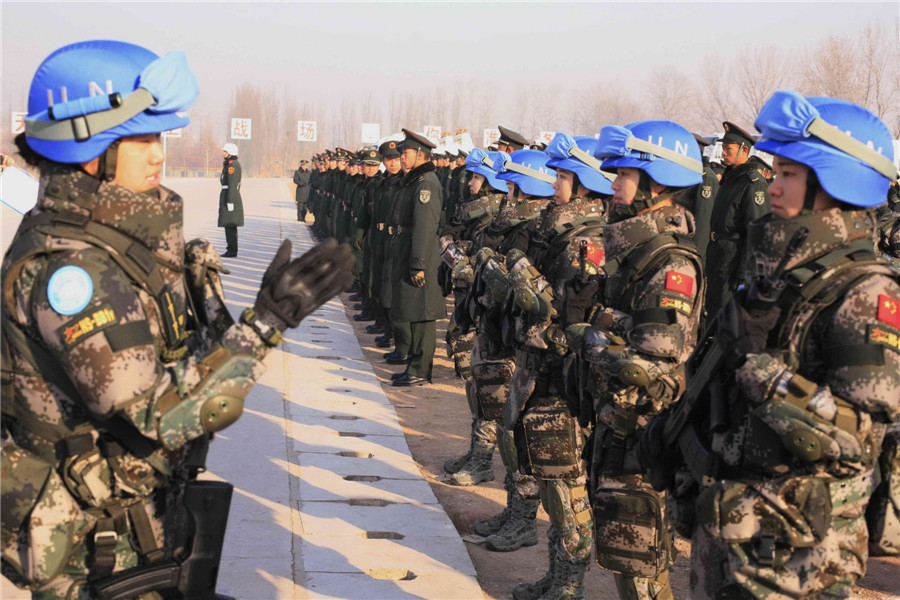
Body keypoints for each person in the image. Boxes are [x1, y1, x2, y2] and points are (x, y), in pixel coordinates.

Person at [1, 40, 353, 600]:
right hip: (96, 551)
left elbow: (177, 365)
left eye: (159, 137)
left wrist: (209, 308)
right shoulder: (72, 271)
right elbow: (157, 413)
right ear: (87, 147)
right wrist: (263, 326)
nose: (157, 154)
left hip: (138, 527)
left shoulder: (115, 241)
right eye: (141, 139)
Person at [642, 90, 900, 599]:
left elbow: (856, 440)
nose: (773, 186)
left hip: (800, 555)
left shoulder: (867, 292)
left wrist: (757, 370)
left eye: (788, 174)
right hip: (735, 526)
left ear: (836, 182)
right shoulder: (779, 277)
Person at [574, 120, 705, 600]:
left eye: (624, 175)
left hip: (642, 431)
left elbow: (653, 364)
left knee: (640, 562)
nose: (613, 185)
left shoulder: (668, 262)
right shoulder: (638, 253)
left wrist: (590, 339)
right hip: (618, 422)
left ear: (658, 183)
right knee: (624, 556)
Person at [504, 133, 611, 600]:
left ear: (584, 185)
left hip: (563, 377)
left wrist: (526, 283)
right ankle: (556, 576)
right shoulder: (560, 232)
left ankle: (569, 585)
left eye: (563, 176)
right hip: (543, 369)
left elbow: (567, 319)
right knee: (551, 479)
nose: (554, 184)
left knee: (568, 489)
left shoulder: (586, 241)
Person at [389, 130, 446, 387]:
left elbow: (424, 226)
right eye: (401, 153)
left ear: (421, 154)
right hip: (409, 247)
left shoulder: (426, 183)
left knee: (422, 313)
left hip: (420, 251)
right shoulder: (413, 180)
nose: (401, 157)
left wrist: (418, 264)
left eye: (406, 153)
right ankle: (413, 365)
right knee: (412, 309)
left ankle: (420, 370)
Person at [704, 121, 771, 320]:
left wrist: (744, 273)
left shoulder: (753, 182)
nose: (723, 153)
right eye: (723, 148)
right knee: (711, 312)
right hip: (718, 255)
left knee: (725, 317)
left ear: (744, 151)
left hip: (733, 261)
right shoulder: (729, 178)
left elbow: (757, 231)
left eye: (728, 149)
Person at [218, 142, 243, 258]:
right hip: (228, 195)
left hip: (230, 196)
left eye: (225, 151)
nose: (224, 153)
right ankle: (231, 248)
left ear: (231, 152)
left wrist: (230, 201)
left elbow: (233, 185)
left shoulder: (233, 166)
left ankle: (232, 250)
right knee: (229, 225)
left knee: (230, 225)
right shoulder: (229, 164)